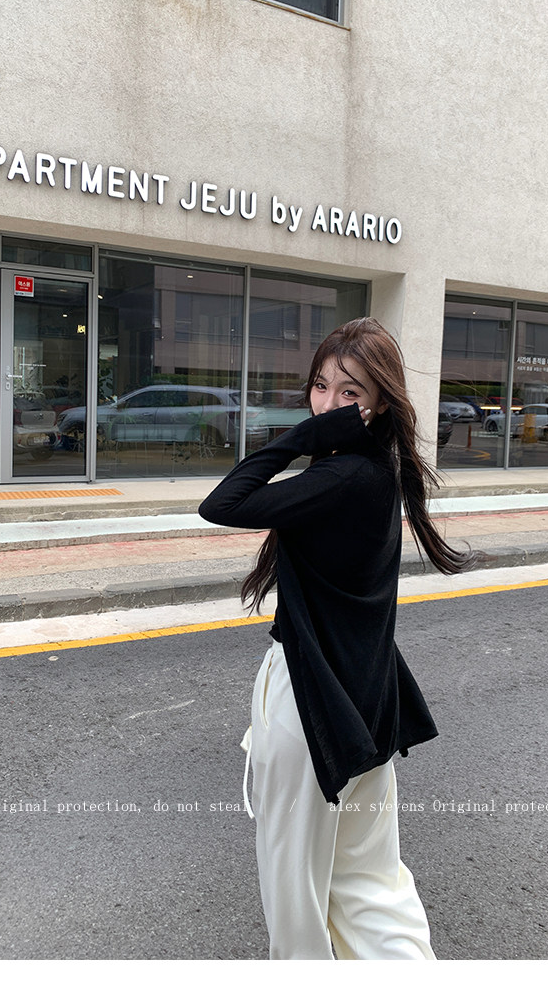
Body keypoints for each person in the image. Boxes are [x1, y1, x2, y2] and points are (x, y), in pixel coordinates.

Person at [198, 317, 475, 961]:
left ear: (378, 404)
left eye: (349, 393)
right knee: (370, 884)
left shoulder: (342, 476)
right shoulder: (375, 470)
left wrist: (304, 435)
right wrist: (325, 434)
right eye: (320, 386)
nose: (328, 404)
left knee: (296, 898)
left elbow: (222, 503)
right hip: (364, 700)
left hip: (311, 699)